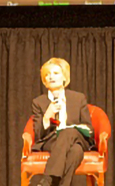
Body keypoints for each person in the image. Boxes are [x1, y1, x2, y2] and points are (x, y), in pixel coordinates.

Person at [31, 58, 95, 186]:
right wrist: (47, 116)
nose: (51, 77)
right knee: (75, 152)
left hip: (78, 137)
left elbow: (89, 128)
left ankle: (47, 180)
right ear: (44, 81)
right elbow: (38, 135)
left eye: (55, 73)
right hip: (53, 141)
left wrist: (76, 128)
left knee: (68, 132)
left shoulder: (78, 98)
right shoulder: (39, 102)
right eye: (47, 75)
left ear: (64, 77)